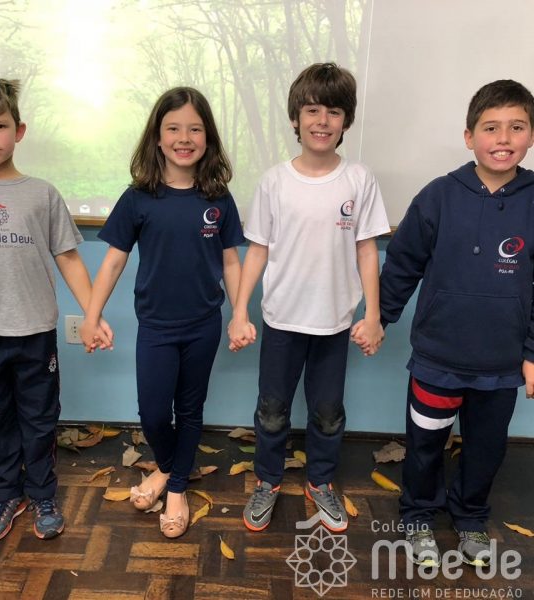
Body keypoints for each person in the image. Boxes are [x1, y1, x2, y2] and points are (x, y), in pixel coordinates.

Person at [355, 79, 534, 568]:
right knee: (425, 445)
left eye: (516, 127)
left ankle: (471, 516)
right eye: (490, 128)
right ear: (469, 136)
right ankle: (417, 515)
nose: (503, 138)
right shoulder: (438, 196)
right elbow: (402, 265)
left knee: (486, 449)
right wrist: (378, 318)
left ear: (530, 135)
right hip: (437, 360)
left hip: (500, 367)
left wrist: (531, 353)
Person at [0, 72, 111, 543]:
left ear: (20, 130)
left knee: (38, 419)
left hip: (34, 332)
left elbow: (68, 258)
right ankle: (6, 494)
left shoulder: (42, 194)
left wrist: (92, 315)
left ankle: (43, 494)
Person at [228, 63, 390, 533]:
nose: (322, 121)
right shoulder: (274, 182)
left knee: (328, 413)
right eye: (313, 110)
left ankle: (320, 481)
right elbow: (258, 250)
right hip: (281, 320)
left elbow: (366, 250)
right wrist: (239, 311)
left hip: (334, 323)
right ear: (295, 118)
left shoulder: (359, 179)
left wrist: (373, 315)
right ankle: (268, 480)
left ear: (346, 121)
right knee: (271, 412)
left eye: (334, 112)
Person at [80, 87, 245, 539]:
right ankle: (171, 468)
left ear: (208, 137)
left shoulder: (218, 197)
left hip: (203, 325)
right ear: (157, 136)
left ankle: (174, 489)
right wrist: (91, 316)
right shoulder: (139, 197)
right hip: (156, 326)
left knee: (190, 410)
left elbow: (231, 261)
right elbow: (113, 262)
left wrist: (240, 313)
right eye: (173, 128)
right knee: (153, 414)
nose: (184, 138)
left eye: (195, 129)